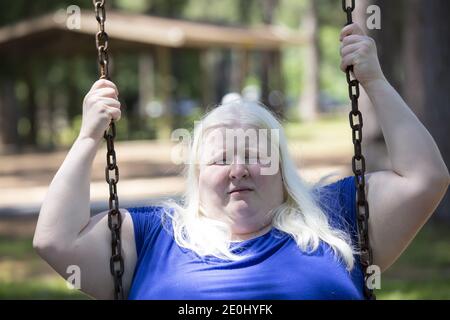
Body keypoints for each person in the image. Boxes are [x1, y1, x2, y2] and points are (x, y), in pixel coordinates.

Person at [33, 22, 449, 300]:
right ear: (197, 174)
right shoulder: (152, 237)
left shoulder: (335, 218)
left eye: (254, 154)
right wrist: (89, 136)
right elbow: (56, 241)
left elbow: (425, 178)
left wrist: (373, 81)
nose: (239, 169)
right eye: (220, 159)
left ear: (283, 168)